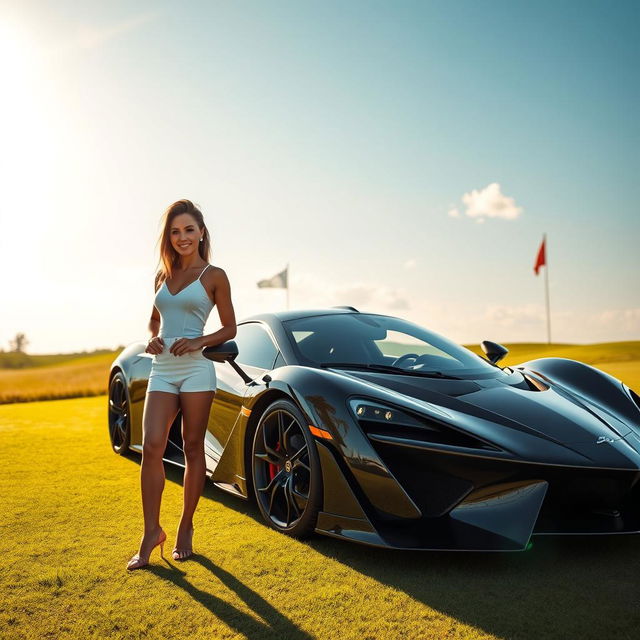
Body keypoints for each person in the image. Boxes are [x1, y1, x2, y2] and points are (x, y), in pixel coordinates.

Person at [127, 199, 237, 570]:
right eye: (175, 231)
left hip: (196, 370)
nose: (182, 237)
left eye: (189, 229)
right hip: (163, 368)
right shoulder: (162, 276)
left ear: (202, 232)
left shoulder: (214, 275)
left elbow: (230, 328)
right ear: (168, 237)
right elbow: (154, 323)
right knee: (153, 446)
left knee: (192, 447)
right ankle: (150, 532)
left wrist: (200, 341)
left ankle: (185, 525)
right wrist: (154, 339)